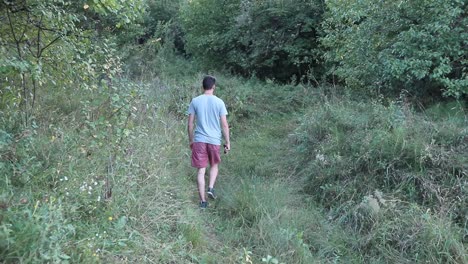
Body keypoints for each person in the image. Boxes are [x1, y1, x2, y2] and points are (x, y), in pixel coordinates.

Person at [187, 75, 230, 208]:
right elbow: (224, 124)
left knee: (201, 170)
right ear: (213, 87)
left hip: (199, 140)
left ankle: (203, 202)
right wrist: (227, 142)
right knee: (214, 165)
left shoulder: (195, 101)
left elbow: (190, 124)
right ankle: (210, 188)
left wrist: (191, 140)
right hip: (214, 140)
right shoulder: (219, 102)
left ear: (202, 86)